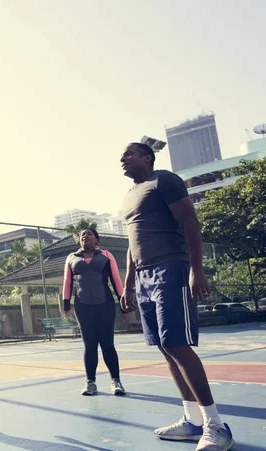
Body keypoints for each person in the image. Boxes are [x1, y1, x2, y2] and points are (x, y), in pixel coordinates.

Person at [120, 142, 234, 451]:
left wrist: (196, 270)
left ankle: (216, 426)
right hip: (143, 276)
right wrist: (129, 282)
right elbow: (133, 242)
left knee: (176, 343)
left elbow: (190, 223)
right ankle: (192, 421)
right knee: (163, 347)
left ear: (147, 158)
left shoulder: (164, 180)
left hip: (171, 267)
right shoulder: (130, 196)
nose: (123, 159)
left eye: (129, 154)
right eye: (122, 156)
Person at [62, 227, 126, 396]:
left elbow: (116, 279)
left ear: (96, 240)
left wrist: (122, 300)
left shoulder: (106, 255)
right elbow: (67, 282)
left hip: (104, 304)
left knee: (107, 343)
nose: (85, 236)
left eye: (89, 234)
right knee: (89, 345)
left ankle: (116, 381)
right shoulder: (71, 258)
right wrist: (66, 305)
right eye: (83, 235)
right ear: (79, 241)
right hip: (82, 306)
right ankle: (91, 382)